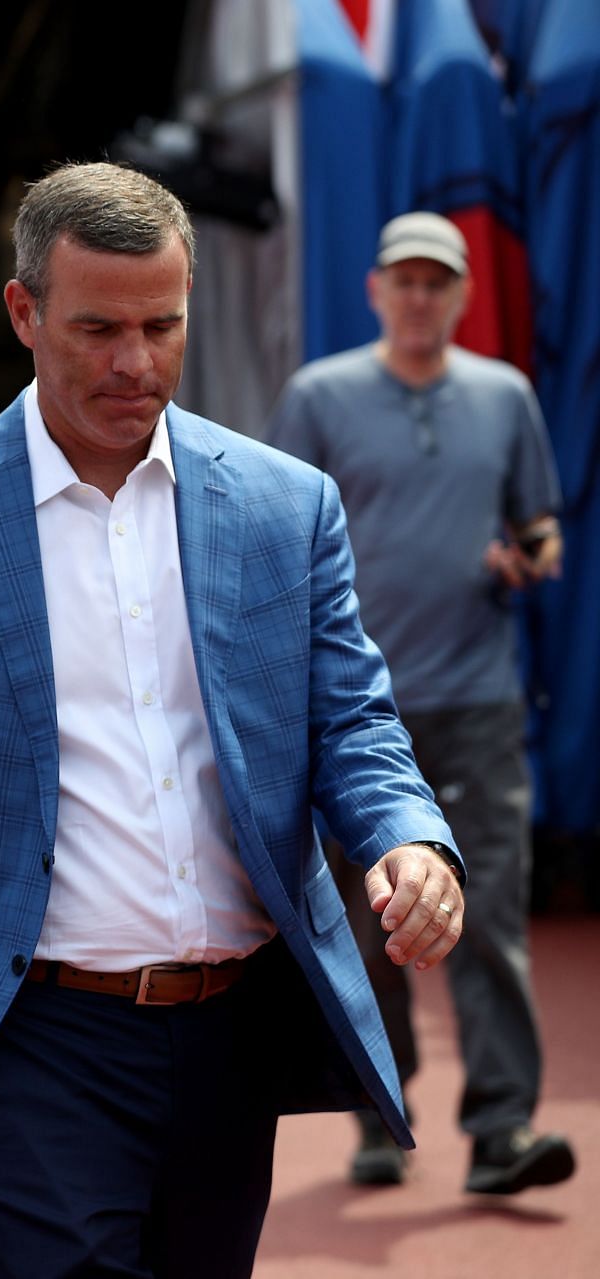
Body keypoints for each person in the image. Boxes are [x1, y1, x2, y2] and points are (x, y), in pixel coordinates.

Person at [0, 163, 466, 1279]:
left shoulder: (287, 508)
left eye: (161, 325)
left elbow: (352, 720)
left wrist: (408, 836)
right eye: (97, 328)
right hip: (23, 1033)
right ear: (23, 312)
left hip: (232, 1026)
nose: (134, 362)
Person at [268, 211, 574, 1196]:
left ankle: (502, 1130)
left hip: (479, 700)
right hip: (353, 711)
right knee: (369, 928)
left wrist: (526, 558)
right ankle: (375, 1115)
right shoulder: (319, 397)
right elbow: (277, 538)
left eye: (436, 281)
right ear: (374, 291)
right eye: (402, 279)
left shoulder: (506, 395)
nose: (418, 295)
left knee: (488, 917)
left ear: (460, 295)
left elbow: (543, 526)